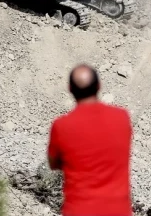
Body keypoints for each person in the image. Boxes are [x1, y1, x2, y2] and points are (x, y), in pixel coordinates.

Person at [47, 64, 133, 216]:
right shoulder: (122, 117)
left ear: (70, 89)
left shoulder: (61, 126)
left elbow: (54, 164)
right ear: (99, 85)